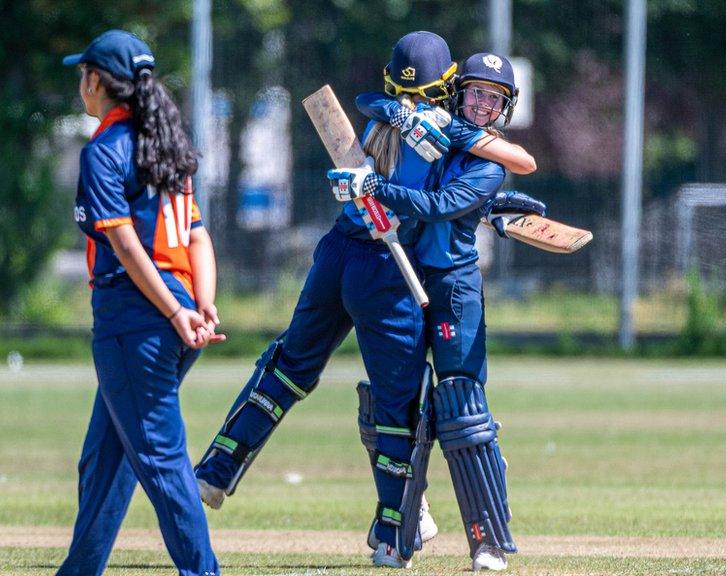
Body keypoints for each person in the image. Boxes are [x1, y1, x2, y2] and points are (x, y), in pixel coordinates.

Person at [192, 31, 491, 569]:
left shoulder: (419, 126)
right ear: (446, 86)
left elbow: (491, 161)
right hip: (367, 259)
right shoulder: (417, 124)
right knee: (345, 386)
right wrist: (417, 124)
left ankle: (224, 472)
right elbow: (376, 110)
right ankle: (386, 526)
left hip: (363, 257)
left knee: (340, 384)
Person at [331, 52, 541, 571]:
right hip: (403, 277)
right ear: (456, 93)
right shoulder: (435, 130)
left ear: (504, 108)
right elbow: (369, 100)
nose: (481, 104)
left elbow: (439, 205)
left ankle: (489, 540)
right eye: (473, 93)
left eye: (493, 99)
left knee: (461, 410)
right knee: (390, 404)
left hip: (453, 287)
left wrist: (374, 187)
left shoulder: (488, 161)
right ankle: (401, 527)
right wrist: (403, 114)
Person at [57, 30, 224, 576]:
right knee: (104, 461)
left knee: (161, 463)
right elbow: (197, 237)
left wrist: (179, 313)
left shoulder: (106, 149)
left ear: (96, 81)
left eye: (82, 75)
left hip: (137, 325)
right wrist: (202, 304)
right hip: (173, 319)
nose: (80, 85)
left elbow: (126, 245)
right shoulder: (166, 147)